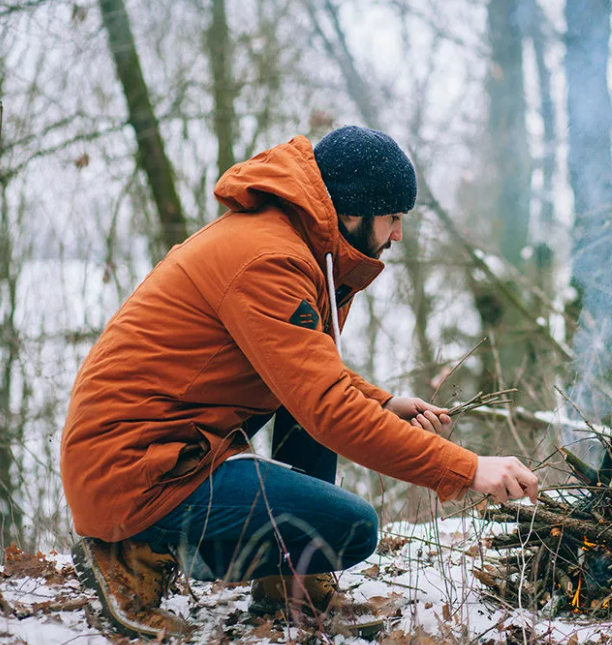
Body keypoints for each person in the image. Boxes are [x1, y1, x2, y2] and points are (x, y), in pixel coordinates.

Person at [61, 125, 539, 639]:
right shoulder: (270, 260)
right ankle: (129, 551)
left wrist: (382, 400)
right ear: (353, 210)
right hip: (134, 471)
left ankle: (289, 586)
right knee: (352, 527)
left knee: (305, 409)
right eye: (393, 217)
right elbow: (328, 406)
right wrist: (468, 470)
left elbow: (306, 368)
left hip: (168, 449)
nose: (397, 234)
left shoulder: (295, 244)